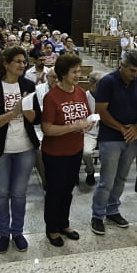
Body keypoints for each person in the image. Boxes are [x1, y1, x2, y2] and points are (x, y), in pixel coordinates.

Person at [0, 47, 39, 253]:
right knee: (1, 193)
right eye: (18, 61)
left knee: (19, 193)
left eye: (24, 61)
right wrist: (14, 112)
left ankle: (18, 232)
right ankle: (3, 234)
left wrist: (28, 112)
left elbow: (36, 118)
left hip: (25, 148)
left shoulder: (28, 85)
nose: (22, 65)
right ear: (5, 63)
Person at [90, 49, 137, 235]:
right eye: (132, 70)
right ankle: (97, 215)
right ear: (122, 66)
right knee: (107, 180)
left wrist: (136, 126)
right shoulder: (108, 82)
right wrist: (122, 128)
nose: (135, 75)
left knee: (122, 177)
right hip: (111, 137)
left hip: (131, 137)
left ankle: (113, 210)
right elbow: (101, 111)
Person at [40, 54, 94, 246]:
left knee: (68, 190)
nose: (78, 75)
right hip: (56, 153)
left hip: (75, 149)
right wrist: (73, 126)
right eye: (74, 72)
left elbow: (86, 117)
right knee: (55, 192)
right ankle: (52, 228)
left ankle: (64, 223)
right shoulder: (51, 97)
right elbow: (47, 129)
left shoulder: (80, 92)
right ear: (63, 74)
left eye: (79, 71)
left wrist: (88, 124)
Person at [81, 70, 102, 186]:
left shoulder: (107, 96)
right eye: (99, 83)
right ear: (91, 83)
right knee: (86, 153)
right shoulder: (85, 96)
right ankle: (90, 171)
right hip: (90, 132)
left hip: (105, 131)